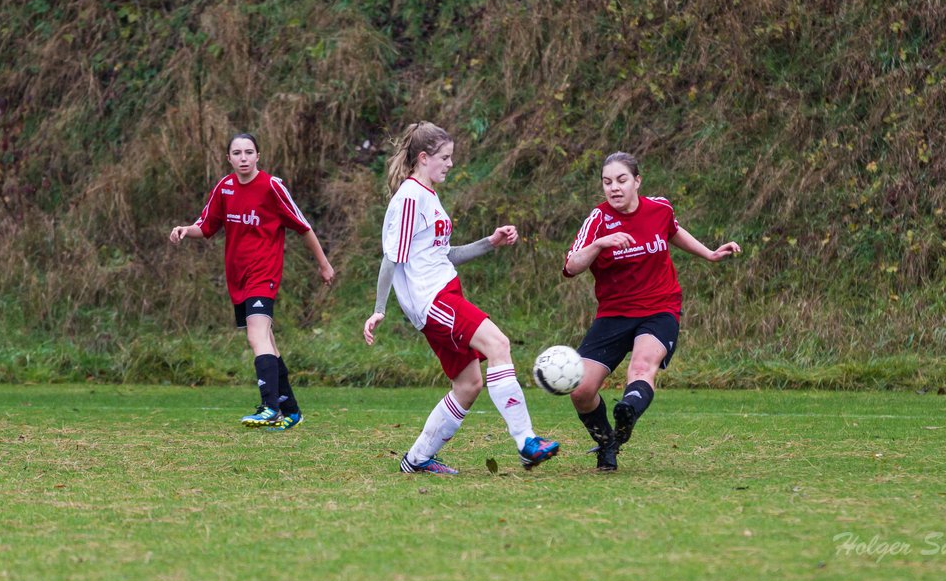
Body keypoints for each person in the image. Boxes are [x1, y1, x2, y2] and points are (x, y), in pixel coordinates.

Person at [363, 121, 559, 475]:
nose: (451, 164)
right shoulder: (410, 198)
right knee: (499, 345)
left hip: (444, 294)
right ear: (423, 158)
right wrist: (379, 310)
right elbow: (391, 257)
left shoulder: (427, 196)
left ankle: (418, 459)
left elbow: (444, 255)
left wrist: (490, 242)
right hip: (435, 301)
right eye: (445, 157)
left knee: (468, 385)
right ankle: (527, 442)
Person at [563, 151, 741, 470]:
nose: (614, 188)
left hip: (660, 307)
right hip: (614, 314)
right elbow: (571, 266)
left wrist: (709, 254)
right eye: (607, 182)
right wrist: (600, 244)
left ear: (637, 181)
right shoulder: (598, 219)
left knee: (643, 368)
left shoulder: (659, 208)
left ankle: (627, 413)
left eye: (621, 180)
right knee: (581, 390)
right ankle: (607, 443)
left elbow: (672, 231)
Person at [169, 132, 335, 429]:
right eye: (237, 153)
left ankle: (269, 407)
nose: (243, 158)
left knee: (256, 336)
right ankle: (292, 411)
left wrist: (324, 265)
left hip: (264, 274)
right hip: (238, 278)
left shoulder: (272, 187)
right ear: (228, 158)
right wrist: (185, 229)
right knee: (268, 341)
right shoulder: (225, 188)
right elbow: (206, 226)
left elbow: (303, 227)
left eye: (249, 152)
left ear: (258, 155)